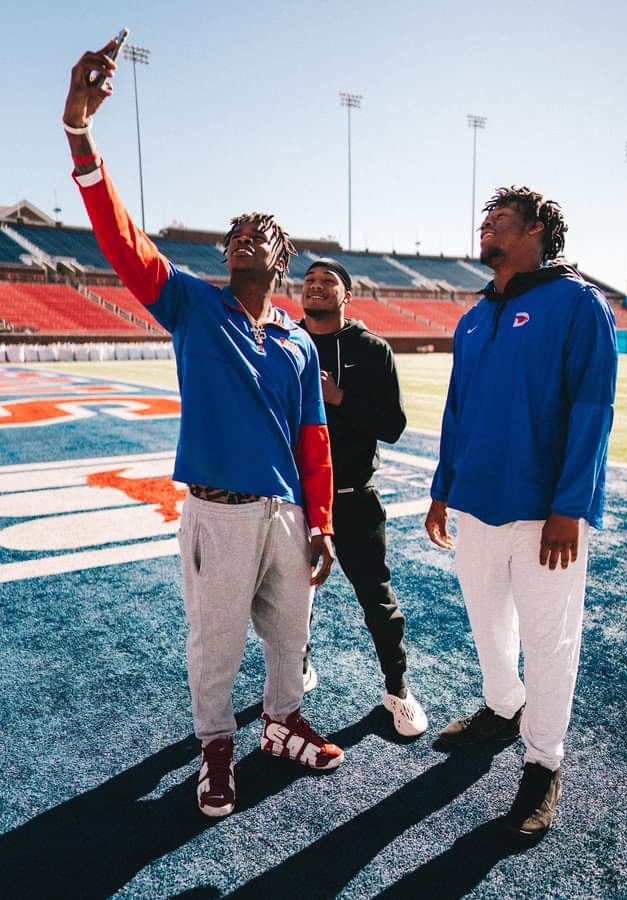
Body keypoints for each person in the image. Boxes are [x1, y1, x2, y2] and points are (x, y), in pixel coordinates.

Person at [63, 38, 344, 819]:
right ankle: (216, 747)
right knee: (215, 647)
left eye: (265, 232)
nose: (249, 235)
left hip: (287, 516)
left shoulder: (294, 339)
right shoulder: (190, 303)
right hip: (217, 512)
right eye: (239, 230)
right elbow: (121, 239)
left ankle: (282, 723)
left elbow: (313, 443)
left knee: (292, 639)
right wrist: (83, 139)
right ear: (226, 253)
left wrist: (321, 521)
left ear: (282, 260)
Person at [425, 186, 617, 837]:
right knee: (486, 624)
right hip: (476, 505)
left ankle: (543, 761)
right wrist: (441, 487)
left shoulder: (579, 304)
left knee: (550, 640)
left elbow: (593, 410)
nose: (486, 229)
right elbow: (457, 411)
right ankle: (504, 707)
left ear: (536, 230)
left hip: (545, 515)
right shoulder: (475, 315)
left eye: (499, 220)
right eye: (484, 218)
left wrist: (570, 507)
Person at [299, 259, 428, 737]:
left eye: (327, 280)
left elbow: (393, 426)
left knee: (377, 599)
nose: (316, 286)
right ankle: (300, 666)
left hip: (355, 496)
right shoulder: (283, 343)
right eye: (309, 280)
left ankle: (398, 690)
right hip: (295, 497)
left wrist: (340, 399)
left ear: (345, 294)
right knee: (292, 599)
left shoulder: (371, 349)